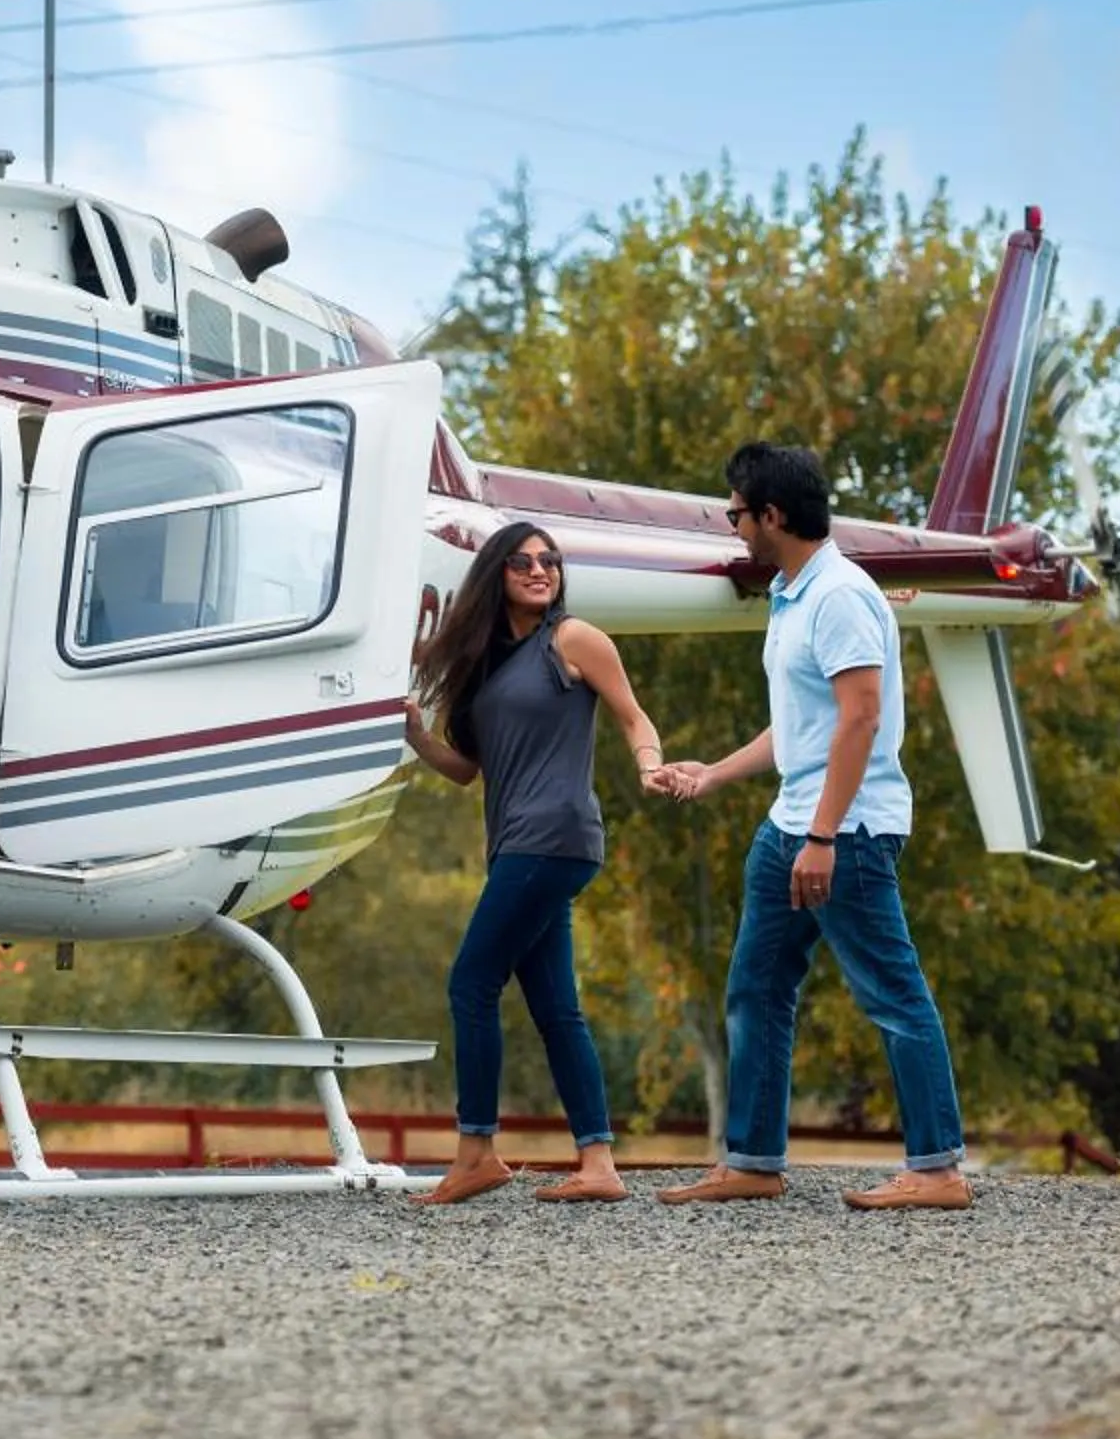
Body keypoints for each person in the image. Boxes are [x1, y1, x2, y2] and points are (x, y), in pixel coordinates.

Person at [652, 442, 972, 1211]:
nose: (731, 525)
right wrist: (713, 772)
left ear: (771, 515)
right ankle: (755, 1162)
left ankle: (937, 1172)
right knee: (756, 989)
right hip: (788, 825)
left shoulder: (839, 596)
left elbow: (860, 720)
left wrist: (824, 837)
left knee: (893, 994)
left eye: (736, 511)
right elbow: (801, 728)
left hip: (848, 832)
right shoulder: (792, 594)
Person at [401, 522, 667, 1205]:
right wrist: (417, 737)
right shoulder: (488, 664)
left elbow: (634, 717)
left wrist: (649, 765)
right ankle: (599, 1163)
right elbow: (469, 771)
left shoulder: (571, 640)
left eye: (549, 561)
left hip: (553, 837)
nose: (539, 570)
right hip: (519, 841)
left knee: (471, 984)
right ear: (497, 573)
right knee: (557, 1008)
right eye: (522, 562)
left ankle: (477, 1151)